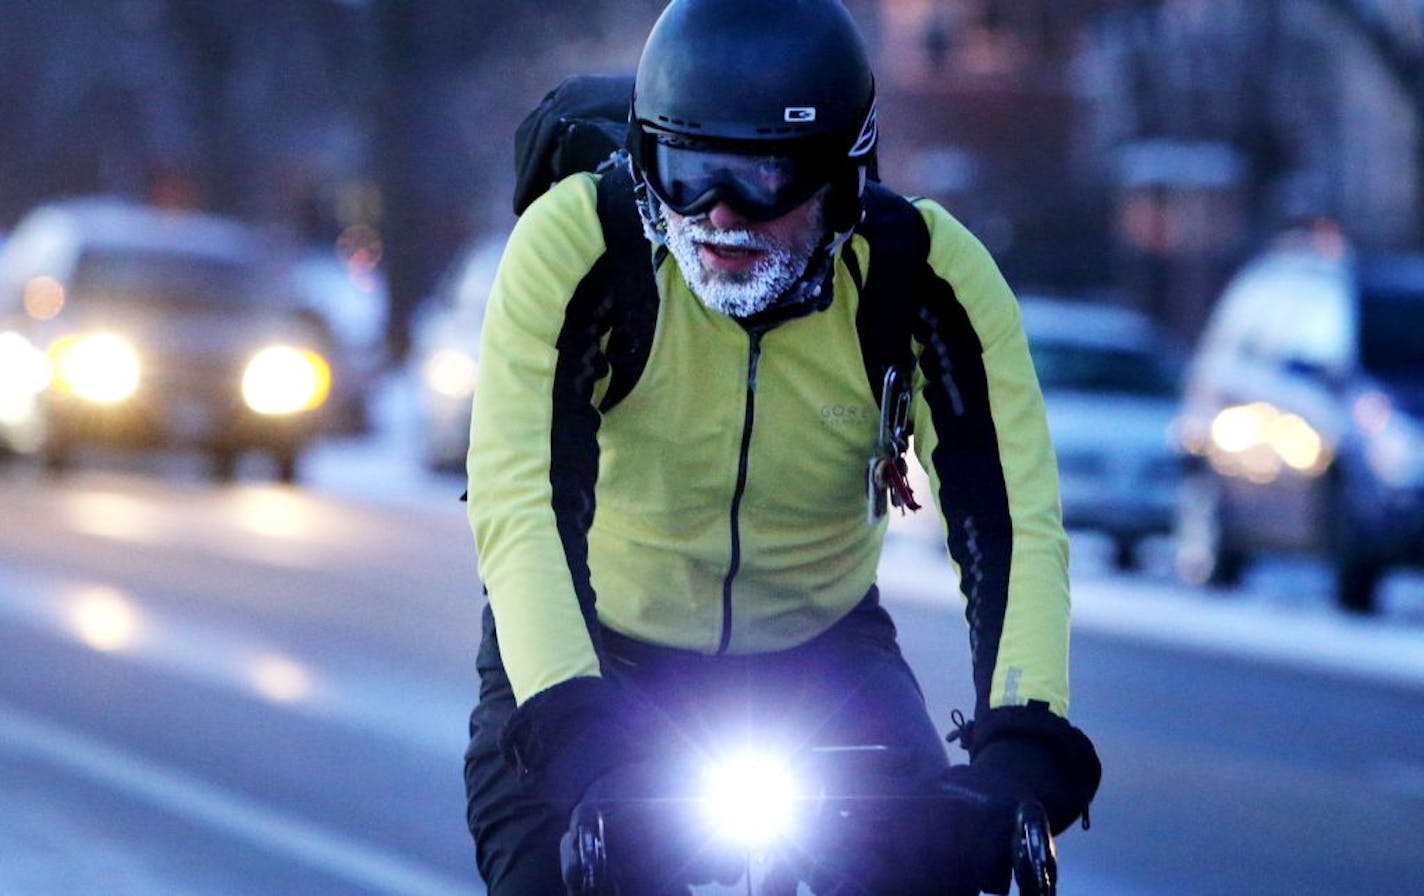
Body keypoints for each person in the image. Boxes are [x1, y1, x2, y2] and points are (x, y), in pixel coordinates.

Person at [463, 1, 1101, 893]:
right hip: (596, 652)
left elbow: (1012, 525)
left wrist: (1024, 743)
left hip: (823, 655)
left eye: (761, 175)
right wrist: (575, 728)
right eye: (685, 172)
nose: (718, 216)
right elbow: (521, 505)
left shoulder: (925, 276)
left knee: (939, 869)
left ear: (843, 175)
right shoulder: (579, 249)